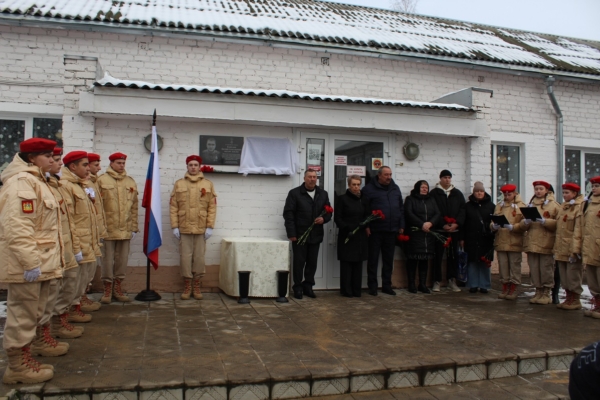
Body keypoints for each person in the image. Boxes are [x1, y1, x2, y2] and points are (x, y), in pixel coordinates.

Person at [0, 137, 64, 384]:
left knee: (33, 312)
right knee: (22, 314)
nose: (52, 159)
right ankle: (16, 367)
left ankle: (26, 357)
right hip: (29, 264)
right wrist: (30, 263)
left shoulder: (38, 181)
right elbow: (17, 227)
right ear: (31, 158)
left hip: (42, 261)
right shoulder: (22, 183)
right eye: (46, 155)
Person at [47, 148, 84, 340]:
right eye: (54, 159)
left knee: (70, 284)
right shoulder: (52, 186)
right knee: (54, 292)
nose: (59, 163)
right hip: (51, 249)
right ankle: (50, 330)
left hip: (68, 244)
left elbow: (72, 220)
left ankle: (60, 321)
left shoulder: (59, 185)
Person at [61, 151, 102, 324]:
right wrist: (76, 246)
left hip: (87, 240)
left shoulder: (81, 185)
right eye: (85, 165)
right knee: (72, 281)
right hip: (77, 242)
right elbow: (70, 220)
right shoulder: (66, 186)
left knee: (83, 278)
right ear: (73, 167)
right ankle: (67, 314)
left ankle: (76, 306)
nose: (89, 168)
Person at [170, 155, 217, 300]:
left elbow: (212, 207)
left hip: (201, 227)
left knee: (199, 258)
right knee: (185, 258)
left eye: (196, 165)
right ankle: (187, 285)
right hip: (184, 227)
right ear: (187, 166)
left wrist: (210, 226)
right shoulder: (179, 184)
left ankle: (196, 285)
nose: (193, 167)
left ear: (200, 166)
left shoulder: (208, 184)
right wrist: (174, 226)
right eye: (190, 165)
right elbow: (173, 206)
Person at [283, 169, 332, 299]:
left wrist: (324, 219)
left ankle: (308, 286)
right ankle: (297, 287)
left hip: (315, 235)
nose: (312, 179)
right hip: (299, 235)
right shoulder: (295, 193)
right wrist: (291, 233)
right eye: (309, 177)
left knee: (312, 263)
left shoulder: (323, 194)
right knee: (299, 263)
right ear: (304, 178)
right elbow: (288, 214)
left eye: (314, 177)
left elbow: (328, 212)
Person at [97, 152, 139, 303]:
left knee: (122, 260)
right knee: (107, 260)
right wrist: (99, 228)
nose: (121, 165)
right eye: (118, 163)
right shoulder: (101, 180)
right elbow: (97, 207)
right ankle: (107, 289)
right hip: (108, 229)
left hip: (125, 229)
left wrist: (134, 227)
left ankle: (118, 288)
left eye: (123, 163)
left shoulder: (130, 182)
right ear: (112, 163)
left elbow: (134, 207)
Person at [362, 166, 405, 296]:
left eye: (390, 174)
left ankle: (387, 285)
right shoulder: (368, 189)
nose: (389, 177)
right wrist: (367, 226)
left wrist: (401, 224)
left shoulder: (395, 188)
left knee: (388, 260)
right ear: (379, 175)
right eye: (386, 175)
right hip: (375, 231)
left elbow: (401, 209)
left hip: (391, 230)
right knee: (373, 260)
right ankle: (373, 286)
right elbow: (364, 210)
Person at [519, 181, 560, 305]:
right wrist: (525, 222)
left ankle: (546, 292)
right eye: (536, 189)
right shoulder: (530, 205)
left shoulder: (554, 205)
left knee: (546, 269)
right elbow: (521, 224)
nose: (538, 191)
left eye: (541, 189)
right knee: (535, 269)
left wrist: (544, 221)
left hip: (546, 242)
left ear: (547, 190)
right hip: (532, 242)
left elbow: (558, 225)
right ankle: (538, 290)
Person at [429, 169, 465, 293]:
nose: (447, 180)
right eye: (445, 177)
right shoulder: (434, 193)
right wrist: (442, 224)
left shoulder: (457, 194)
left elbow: (462, 210)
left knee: (452, 256)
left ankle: (451, 280)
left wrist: (456, 224)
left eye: (449, 177)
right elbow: (432, 210)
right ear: (440, 179)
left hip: (454, 231)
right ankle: (436, 281)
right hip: (439, 230)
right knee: (437, 256)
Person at [334, 175, 369, 297]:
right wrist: (347, 228)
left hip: (359, 236)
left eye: (358, 184)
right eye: (354, 184)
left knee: (358, 265)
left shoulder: (363, 199)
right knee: (347, 265)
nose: (356, 187)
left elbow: (367, 215)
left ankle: (356, 290)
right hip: (347, 236)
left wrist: (364, 224)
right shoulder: (342, 199)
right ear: (349, 185)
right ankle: (346, 290)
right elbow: (337, 217)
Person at [404, 180, 440, 294]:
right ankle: (411, 284)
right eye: (422, 187)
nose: (425, 189)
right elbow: (409, 213)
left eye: (426, 187)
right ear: (417, 188)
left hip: (428, 235)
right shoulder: (410, 199)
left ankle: (422, 284)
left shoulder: (431, 200)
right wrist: (421, 224)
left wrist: (430, 223)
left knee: (424, 260)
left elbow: (437, 213)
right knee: (413, 260)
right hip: (415, 234)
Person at [491, 184, 526, 300]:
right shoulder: (499, 206)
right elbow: (493, 219)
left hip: (514, 241)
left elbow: (525, 223)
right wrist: (493, 226)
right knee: (503, 266)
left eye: (509, 194)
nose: (507, 196)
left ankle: (513, 289)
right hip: (501, 240)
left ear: (515, 194)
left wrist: (514, 227)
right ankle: (505, 287)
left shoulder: (521, 206)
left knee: (514, 266)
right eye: (505, 194)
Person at [553, 183, 585, 310]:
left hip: (571, 247)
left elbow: (578, 230)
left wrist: (576, 250)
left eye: (567, 193)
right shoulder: (563, 207)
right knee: (564, 275)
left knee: (573, 274)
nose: (564, 195)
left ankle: (575, 299)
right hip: (561, 246)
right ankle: (568, 297)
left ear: (575, 194)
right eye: (564, 192)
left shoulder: (579, 207)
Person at [81, 152, 106, 312]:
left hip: (93, 232)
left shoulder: (93, 182)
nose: (99, 168)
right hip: (83, 234)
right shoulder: (83, 184)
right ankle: (79, 300)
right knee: (81, 273)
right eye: (96, 165)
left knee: (88, 270)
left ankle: (82, 298)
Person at [572, 176, 600, 318]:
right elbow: (579, 228)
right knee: (592, 278)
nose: (594, 188)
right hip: (588, 247)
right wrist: (577, 247)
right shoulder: (586, 204)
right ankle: (597, 304)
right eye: (593, 186)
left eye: (597, 186)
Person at [460, 182, 495, 294]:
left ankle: (484, 285)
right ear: (474, 192)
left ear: (484, 192)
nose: (479, 193)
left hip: (486, 238)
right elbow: (463, 223)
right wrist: (462, 238)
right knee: (472, 261)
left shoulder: (491, 206)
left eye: (481, 191)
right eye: (477, 191)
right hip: (471, 237)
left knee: (485, 261)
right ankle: (473, 284)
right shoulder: (467, 206)